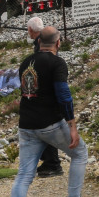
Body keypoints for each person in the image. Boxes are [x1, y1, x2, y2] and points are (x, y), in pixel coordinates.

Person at [6, 26, 96, 197]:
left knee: (24, 174)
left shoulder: (26, 61)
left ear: (38, 41)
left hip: (27, 125)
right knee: (80, 153)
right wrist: (72, 125)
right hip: (50, 124)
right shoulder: (57, 63)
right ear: (58, 43)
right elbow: (64, 96)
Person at [26, 16, 63, 178]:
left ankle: (53, 164)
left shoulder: (41, 43)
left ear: (31, 30)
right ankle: (48, 162)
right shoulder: (45, 40)